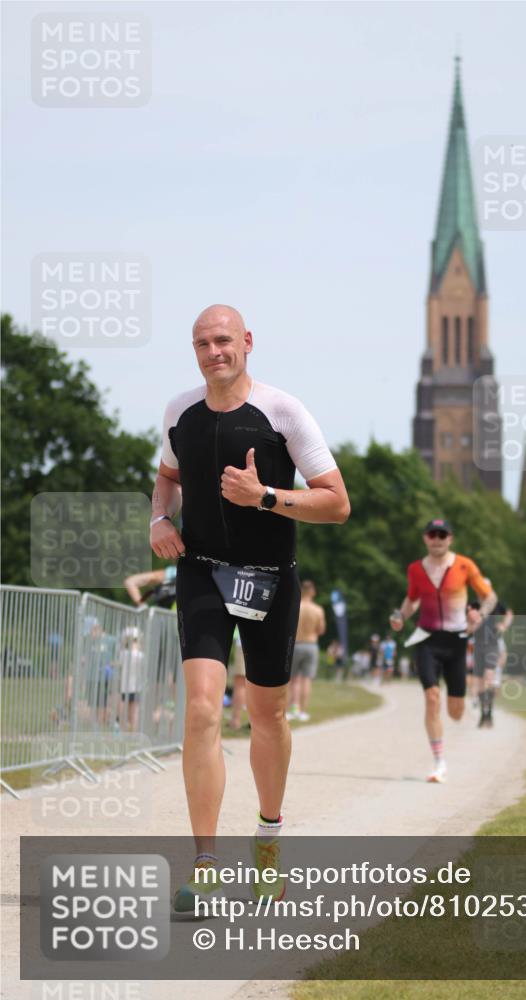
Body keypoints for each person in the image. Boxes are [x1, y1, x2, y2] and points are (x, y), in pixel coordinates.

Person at [150, 304, 350, 911]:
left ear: (247, 343)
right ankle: (205, 864)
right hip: (203, 573)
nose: (214, 352)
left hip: (270, 580)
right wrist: (160, 515)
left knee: (268, 714)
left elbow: (336, 504)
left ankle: (267, 839)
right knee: (204, 711)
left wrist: (263, 496)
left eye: (224, 341)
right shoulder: (178, 411)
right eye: (203, 343)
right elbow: (167, 476)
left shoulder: (284, 411)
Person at [389, 518, 497, 782]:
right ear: (425, 538)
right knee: (432, 697)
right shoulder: (415, 569)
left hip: (457, 642)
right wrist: (400, 616)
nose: (437, 539)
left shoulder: (464, 565)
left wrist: (480, 615)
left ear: (450, 538)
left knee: (456, 711)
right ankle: (439, 762)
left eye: (442, 534)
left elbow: (490, 597)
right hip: (426, 639)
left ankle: (458, 710)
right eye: (432, 534)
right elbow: (412, 600)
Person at [469, 586, 513, 728]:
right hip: (478, 645)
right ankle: (484, 714)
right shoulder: (473, 605)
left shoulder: (495, 603)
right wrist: (472, 625)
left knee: (489, 676)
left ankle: (490, 712)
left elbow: (509, 614)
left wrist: (504, 626)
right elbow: (466, 624)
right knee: (480, 682)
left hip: (492, 644)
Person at [287, 580, 326, 721]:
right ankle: (303, 712)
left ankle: (293, 709)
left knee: (294, 680)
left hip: (296, 644)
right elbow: (321, 630)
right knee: (306, 680)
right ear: (313, 592)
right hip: (311, 645)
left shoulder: (295, 606)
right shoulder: (318, 610)